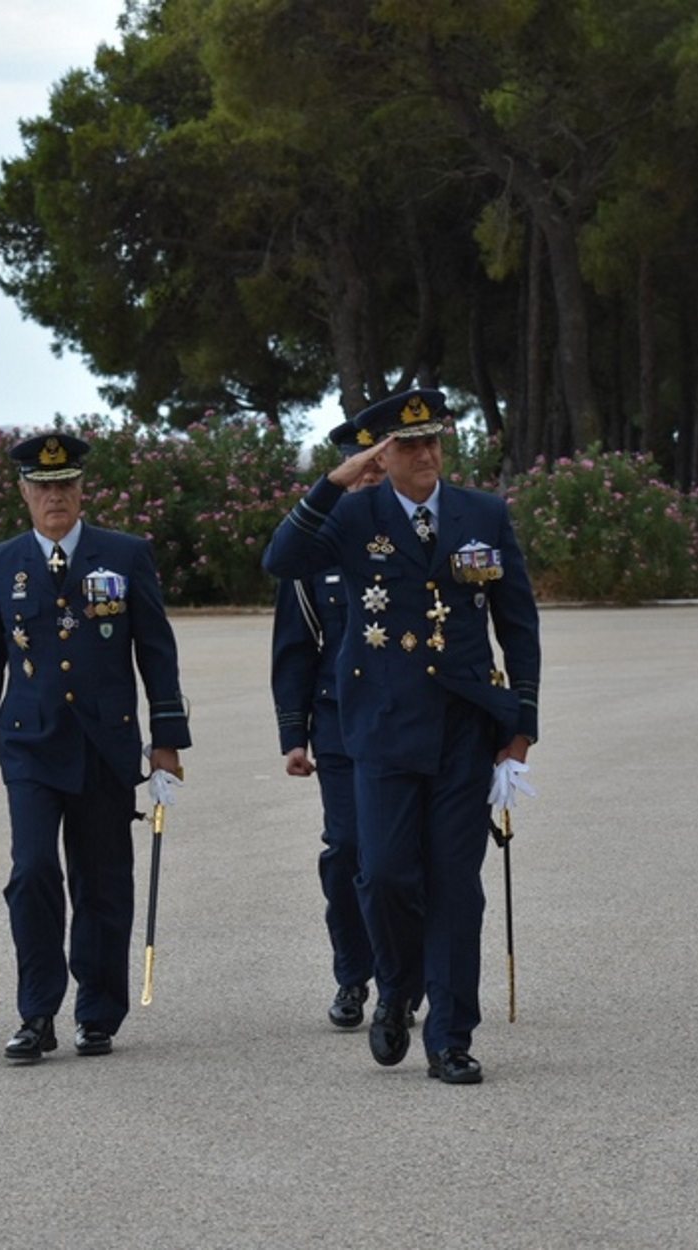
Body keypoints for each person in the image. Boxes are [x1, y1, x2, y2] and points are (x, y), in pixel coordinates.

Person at [262, 387, 542, 1086]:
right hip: (381, 726)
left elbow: (518, 621)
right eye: (406, 445)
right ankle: (394, 986)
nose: (424, 454)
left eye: (431, 441)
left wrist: (521, 725)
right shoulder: (355, 514)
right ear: (380, 455)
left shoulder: (481, 512)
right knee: (383, 873)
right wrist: (334, 482)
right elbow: (281, 559)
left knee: (456, 886)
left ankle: (449, 1037)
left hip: (461, 725)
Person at [0, 431, 191, 1064]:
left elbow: (156, 650)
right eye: (42, 486)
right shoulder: (0, 562)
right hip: (31, 745)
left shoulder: (125, 555)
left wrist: (166, 739)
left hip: (104, 744)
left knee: (103, 882)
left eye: (64, 485)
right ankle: (36, 1012)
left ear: (81, 489)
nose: (54, 497)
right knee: (33, 871)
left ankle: (97, 1011)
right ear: (24, 493)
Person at [270, 419, 383, 1029]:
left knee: (400, 859)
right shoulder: (317, 554)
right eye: (357, 470)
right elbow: (295, 646)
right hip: (339, 728)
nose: (367, 481)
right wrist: (294, 734)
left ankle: (403, 975)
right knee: (347, 852)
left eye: (376, 469)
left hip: (408, 726)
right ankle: (353, 976)